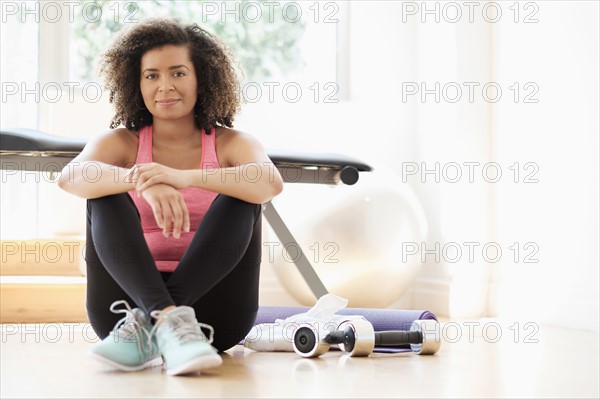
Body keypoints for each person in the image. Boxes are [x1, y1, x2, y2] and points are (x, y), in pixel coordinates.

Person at [58, 18, 284, 376]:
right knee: (105, 195)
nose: (165, 86)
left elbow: (268, 183)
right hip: (122, 314)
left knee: (241, 196)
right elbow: (71, 178)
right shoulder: (121, 143)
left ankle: (161, 320)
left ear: (202, 78)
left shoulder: (232, 143)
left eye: (178, 73)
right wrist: (142, 181)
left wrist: (183, 177)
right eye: (152, 75)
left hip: (214, 317)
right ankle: (164, 318)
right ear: (137, 82)